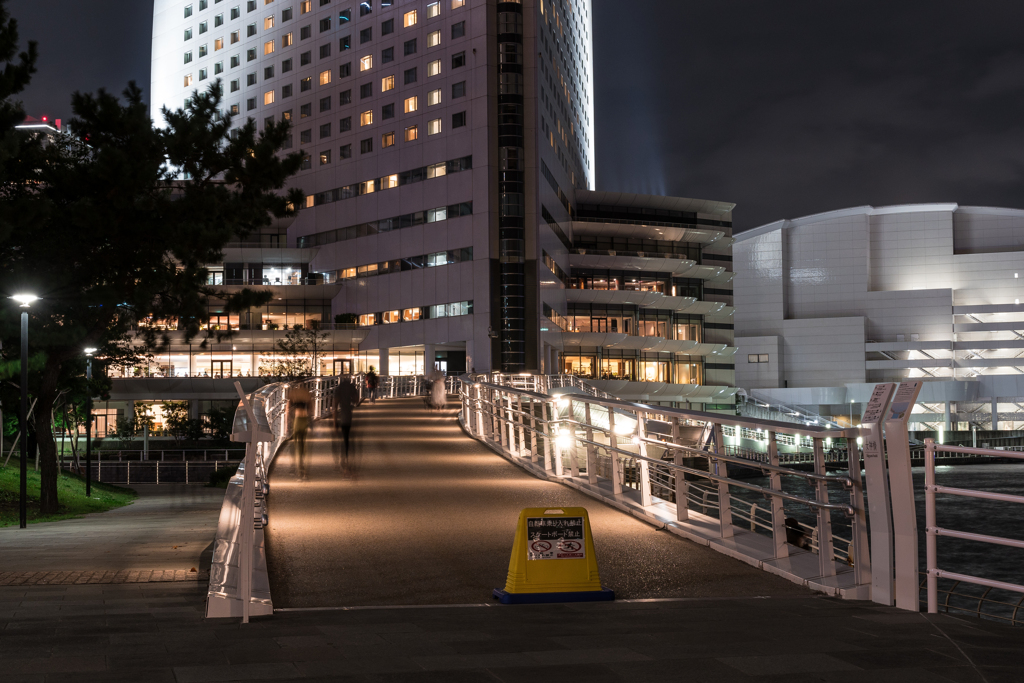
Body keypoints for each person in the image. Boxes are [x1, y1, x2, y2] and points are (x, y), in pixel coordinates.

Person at [333, 378, 361, 474]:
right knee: (348, 440)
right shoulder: (351, 388)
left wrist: (334, 422)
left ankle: (343, 462)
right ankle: (347, 461)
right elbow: (357, 401)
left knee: (343, 439)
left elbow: (335, 406)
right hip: (349, 416)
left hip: (342, 417)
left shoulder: (339, 390)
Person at [292, 397, 310, 480]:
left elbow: (287, 410)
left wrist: (287, 426)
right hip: (304, 419)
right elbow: (310, 409)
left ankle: (299, 471)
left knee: (297, 448)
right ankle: (304, 472)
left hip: (298, 420)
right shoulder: (306, 395)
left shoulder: (293, 395)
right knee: (304, 448)